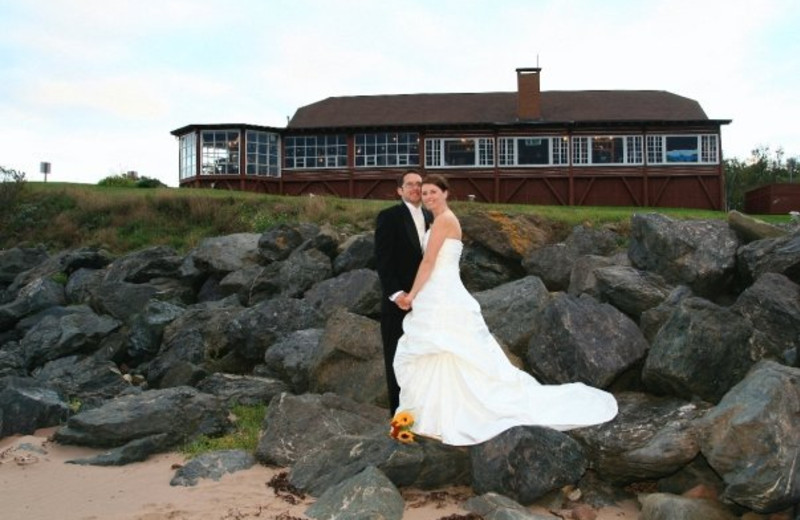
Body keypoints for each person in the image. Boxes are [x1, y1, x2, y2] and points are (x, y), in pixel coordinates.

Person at [394, 174, 618, 446]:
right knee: (441, 350)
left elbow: (429, 262)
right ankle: (434, 413)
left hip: (441, 292)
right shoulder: (441, 220)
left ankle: (447, 414)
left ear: (445, 193)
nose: (428, 197)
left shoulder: (444, 221)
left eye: (433, 192)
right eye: (424, 193)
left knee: (448, 347)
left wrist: (411, 296)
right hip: (439, 290)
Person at [375, 170, 433, 416]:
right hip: (398, 302)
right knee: (397, 359)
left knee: (425, 358)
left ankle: (423, 411)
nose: (415, 188)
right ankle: (400, 417)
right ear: (399, 190)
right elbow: (383, 259)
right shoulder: (389, 217)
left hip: (428, 302)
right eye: (409, 184)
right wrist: (396, 294)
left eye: (419, 184)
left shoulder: (433, 217)